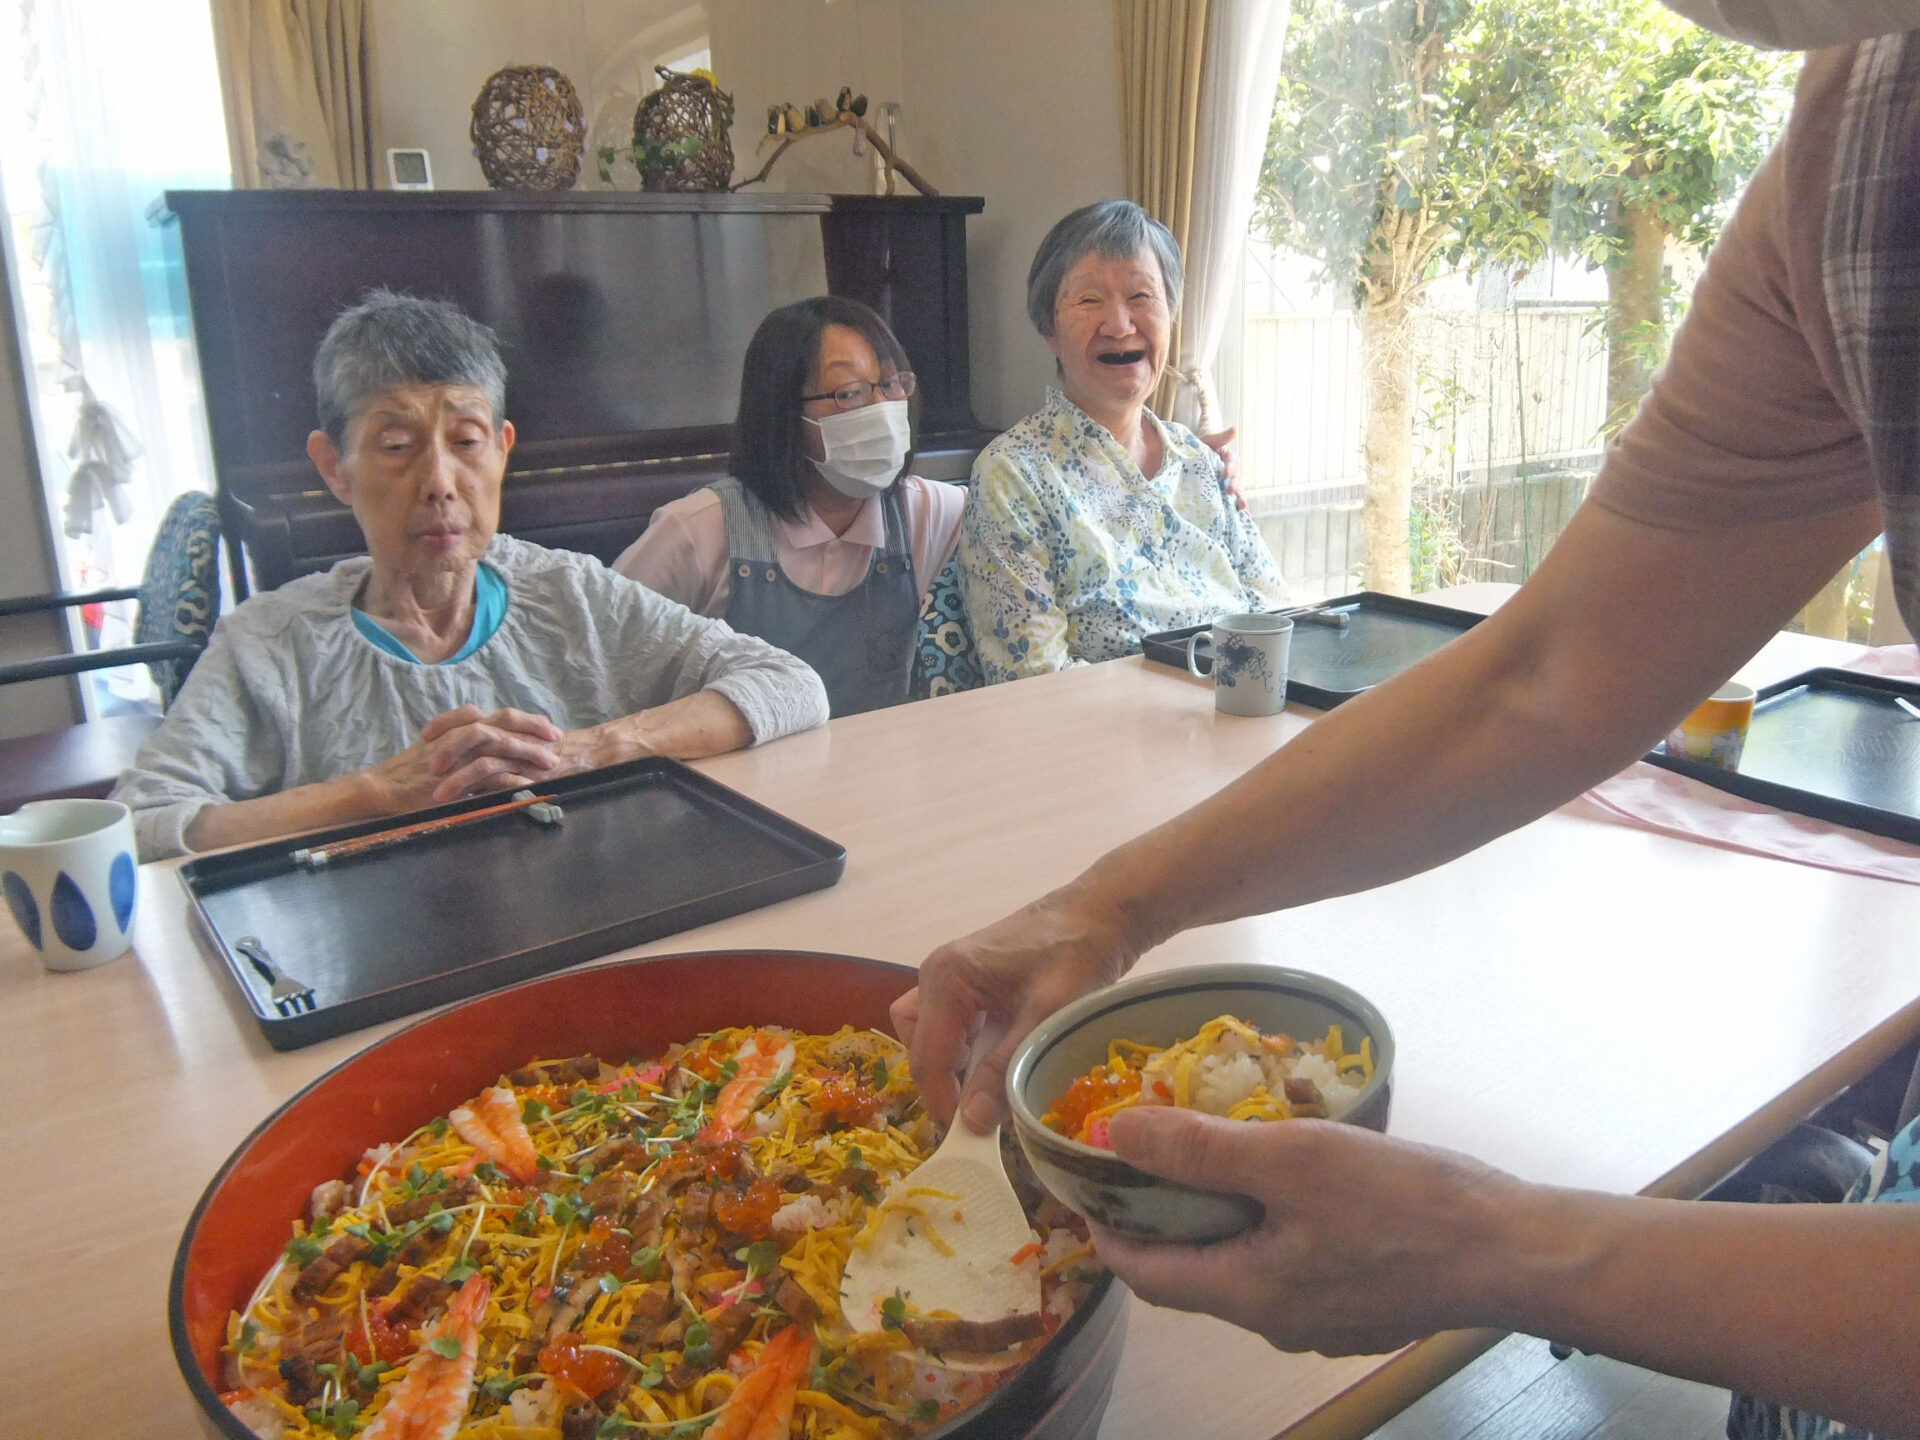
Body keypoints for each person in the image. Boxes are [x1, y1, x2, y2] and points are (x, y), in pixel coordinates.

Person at [897, 13, 1920, 1438]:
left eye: (1142, 295)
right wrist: (1110, 909)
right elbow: (1542, 674)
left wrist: (1508, 1251)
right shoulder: (1861, 133)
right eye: (1091, 297)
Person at [113, 291, 828, 862]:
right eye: (396, 446)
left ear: (503, 450)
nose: (440, 483)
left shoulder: (570, 594)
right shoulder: (267, 644)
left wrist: (587, 750)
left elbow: (789, 686)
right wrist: (370, 794)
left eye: (466, 442)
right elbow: (137, 824)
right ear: (334, 467)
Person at [959, 200, 1287, 684]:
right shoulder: (1013, 473)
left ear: (1170, 315)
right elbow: (1031, 681)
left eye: (1141, 296)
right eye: (1089, 301)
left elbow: (1280, 619)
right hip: (1115, 749)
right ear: (1048, 328)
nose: (1119, 324)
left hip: (1243, 725)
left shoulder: (1200, 461)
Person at [614, 297, 967, 717]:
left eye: (891, 385)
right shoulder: (697, 531)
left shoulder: (926, 511)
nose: (881, 411)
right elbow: (597, 658)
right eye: (849, 393)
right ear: (782, 413)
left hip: (876, 768)